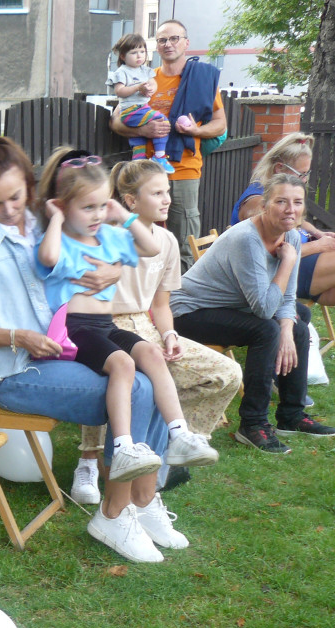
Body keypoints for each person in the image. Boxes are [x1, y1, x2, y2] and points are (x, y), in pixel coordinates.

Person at [0, 135, 174, 564]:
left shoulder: (38, 221)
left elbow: (98, 242)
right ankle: (116, 513)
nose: (9, 210)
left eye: (15, 196)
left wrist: (112, 270)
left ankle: (144, 499)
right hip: (15, 372)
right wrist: (17, 336)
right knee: (137, 388)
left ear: (29, 184)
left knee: (151, 375)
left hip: (65, 348)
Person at [36, 147, 219, 486]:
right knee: (123, 365)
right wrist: (57, 217)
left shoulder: (109, 235)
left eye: (101, 205)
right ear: (63, 206)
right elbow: (47, 257)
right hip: (74, 330)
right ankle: (122, 448)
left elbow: (151, 247)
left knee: (150, 353)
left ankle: (178, 435)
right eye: (87, 207)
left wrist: (122, 213)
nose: (96, 215)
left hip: (105, 325)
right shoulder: (62, 240)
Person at [69, 160, 241, 509]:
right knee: (114, 378)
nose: (167, 199)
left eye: (168, 191)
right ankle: (88, 460)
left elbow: (161, 304)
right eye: (158, 192)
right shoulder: (104, 230)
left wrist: (169, 335)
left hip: (146, 328)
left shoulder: (166, 239)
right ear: (130, 201)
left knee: (227, 373)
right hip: (100, 323)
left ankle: (173, 442)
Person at [171, 174, 335, 453]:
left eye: (297, 202)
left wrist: (286, 329)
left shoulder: (292, 236)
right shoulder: (247, 239)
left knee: (294, 322)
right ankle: (253, 424)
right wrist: (288, 262)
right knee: (267, 329)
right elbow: (263, 308)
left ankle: (291, 415)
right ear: (265, 206)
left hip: (233, 306)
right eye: (281, 201)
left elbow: (286, 295)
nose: (290, 209)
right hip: (190, 311)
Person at [110, 18, 227, 270]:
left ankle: (182, 305)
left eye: (174, 38)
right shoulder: (144, 78)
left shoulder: (202, 78)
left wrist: (196, 130)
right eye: (162, 39)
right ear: (156, 46)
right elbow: (116, 121)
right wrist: (143, 129)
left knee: (184, 241)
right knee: (140, 239)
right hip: (144, 172)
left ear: (186, 43)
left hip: (183, 170)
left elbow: (220, 124)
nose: (168, 44)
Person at [231, 132, 335, 306]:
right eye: (301, 174)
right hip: (277, 273)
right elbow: (270, 253)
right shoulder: (258, 202)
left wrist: (317, 232)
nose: (305, 179)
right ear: (279, 168)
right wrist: (318, 245)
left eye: (307, 173)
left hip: (300, 262)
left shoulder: (275, 193)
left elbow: (298, 221)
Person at [107, 33, 175, 173]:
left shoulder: (145, 70)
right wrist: (137, 88)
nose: (139, 56)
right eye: (134, 52)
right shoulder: (122, 72)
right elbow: (119, 91)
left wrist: (150, 89)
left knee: (139, 139)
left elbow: (153, 84)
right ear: (122, 56)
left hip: (142, 108)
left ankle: (137, 165)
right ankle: (159, 156)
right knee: (162, 120)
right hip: (130, 111)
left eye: (142, 52)